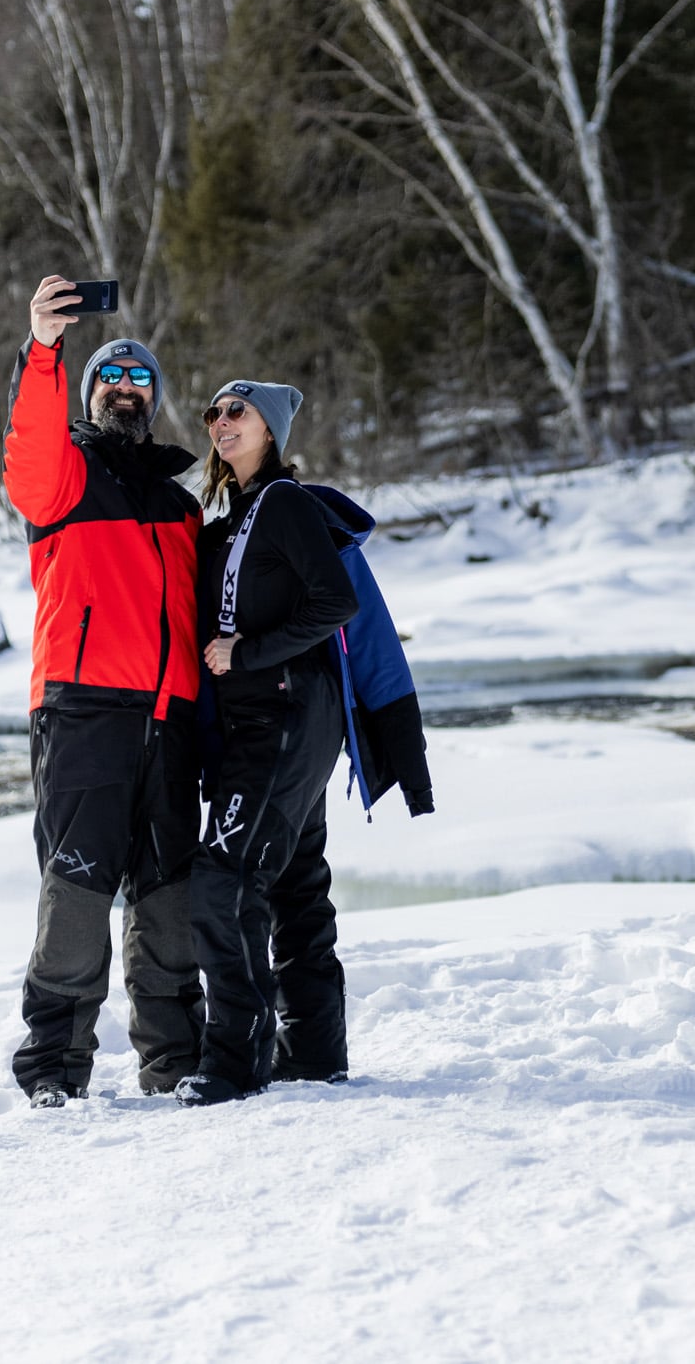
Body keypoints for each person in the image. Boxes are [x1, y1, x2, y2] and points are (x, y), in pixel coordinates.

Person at [127, 379, 434, 1106]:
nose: (221, 422)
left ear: (272, 428)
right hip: (255, 726)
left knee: (223, 883)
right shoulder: (230, 521)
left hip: (290, 714)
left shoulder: (287, 504)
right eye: (214, 413)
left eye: (238, 410)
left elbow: (337, 603)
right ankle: (317, 1052)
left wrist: (246, 650)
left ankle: (236, 1061)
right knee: (296, 883)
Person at [0, 275, 202, 1108]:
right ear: (92, 393)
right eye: (111, 378)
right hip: (84, 711)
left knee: (167, 899)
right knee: (77, 891)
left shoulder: (179, 505)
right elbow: (28, 444)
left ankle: (174, 1062)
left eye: (140, 381)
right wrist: (45, 351)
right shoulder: (65, 480)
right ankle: (54, 1068)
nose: (125, 389)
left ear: (153, 400)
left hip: (171, 721)